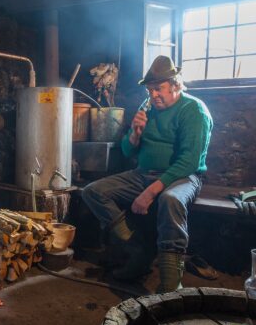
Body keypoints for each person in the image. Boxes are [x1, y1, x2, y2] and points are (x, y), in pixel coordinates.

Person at [82, 55, 213, 292]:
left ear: (175, 85)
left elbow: (189, 161)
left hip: (183, 177)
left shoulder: (193, 110)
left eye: (158, 89)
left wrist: (150, 193)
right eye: (150, 90)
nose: (153, 95)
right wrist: (135, 134)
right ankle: (139, 253)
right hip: (143, 173)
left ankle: (171, 285)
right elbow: (126, 150)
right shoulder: (147, 108)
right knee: (93, 192)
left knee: (170, 199)